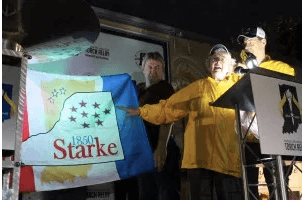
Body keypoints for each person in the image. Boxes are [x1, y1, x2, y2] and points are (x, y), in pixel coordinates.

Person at [120, 44, 244, 199]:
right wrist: (141, 111)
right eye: (213, 59)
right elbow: (168, 108)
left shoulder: (239, 87)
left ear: (231, 65)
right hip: (199, 164)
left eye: (222, 59)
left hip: (228, 164)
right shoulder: (198, 88)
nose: (217, 61)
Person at [236, 26, 295, 200]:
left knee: (276, 184)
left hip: (275, 135)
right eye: (245, 42)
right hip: (250, 139)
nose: (246, 45)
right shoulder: (242, 70)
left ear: (263, 42)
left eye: (251, 41)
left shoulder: (279, 67)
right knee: (251, 187)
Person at [135, 51, 182, 200]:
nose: (153, 71)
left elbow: (167, 118)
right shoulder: (140, 91)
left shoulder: (165, 88)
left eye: (158, 67)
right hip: (145, 151)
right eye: (150, 66)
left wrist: (161, 147)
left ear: (162, 71)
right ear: (143, 69)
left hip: (161, 150)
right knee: (146, 194)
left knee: (166, 193)